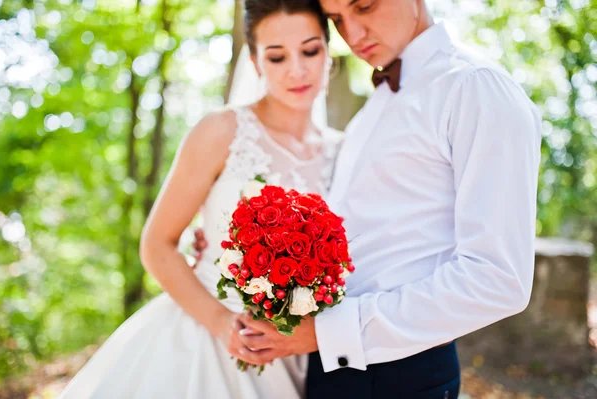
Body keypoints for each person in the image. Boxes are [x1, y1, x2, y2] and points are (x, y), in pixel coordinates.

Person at [221, 0, 542, 398]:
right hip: (331, 366)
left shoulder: (475, 88)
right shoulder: (373, 108)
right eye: (337, 20)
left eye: (365, 6)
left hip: (400, 374)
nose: (352, 35)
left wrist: (327, 332)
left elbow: (498, 279)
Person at [57, 1, 341, 398]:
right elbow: (157, 244)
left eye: (310, 50)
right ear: (256, 62)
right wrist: (224, 323)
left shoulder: (344, 150)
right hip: (204, 341)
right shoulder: (221, 131)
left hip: (300, 356)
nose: (297, 69)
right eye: (277, 57)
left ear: (329, 51)